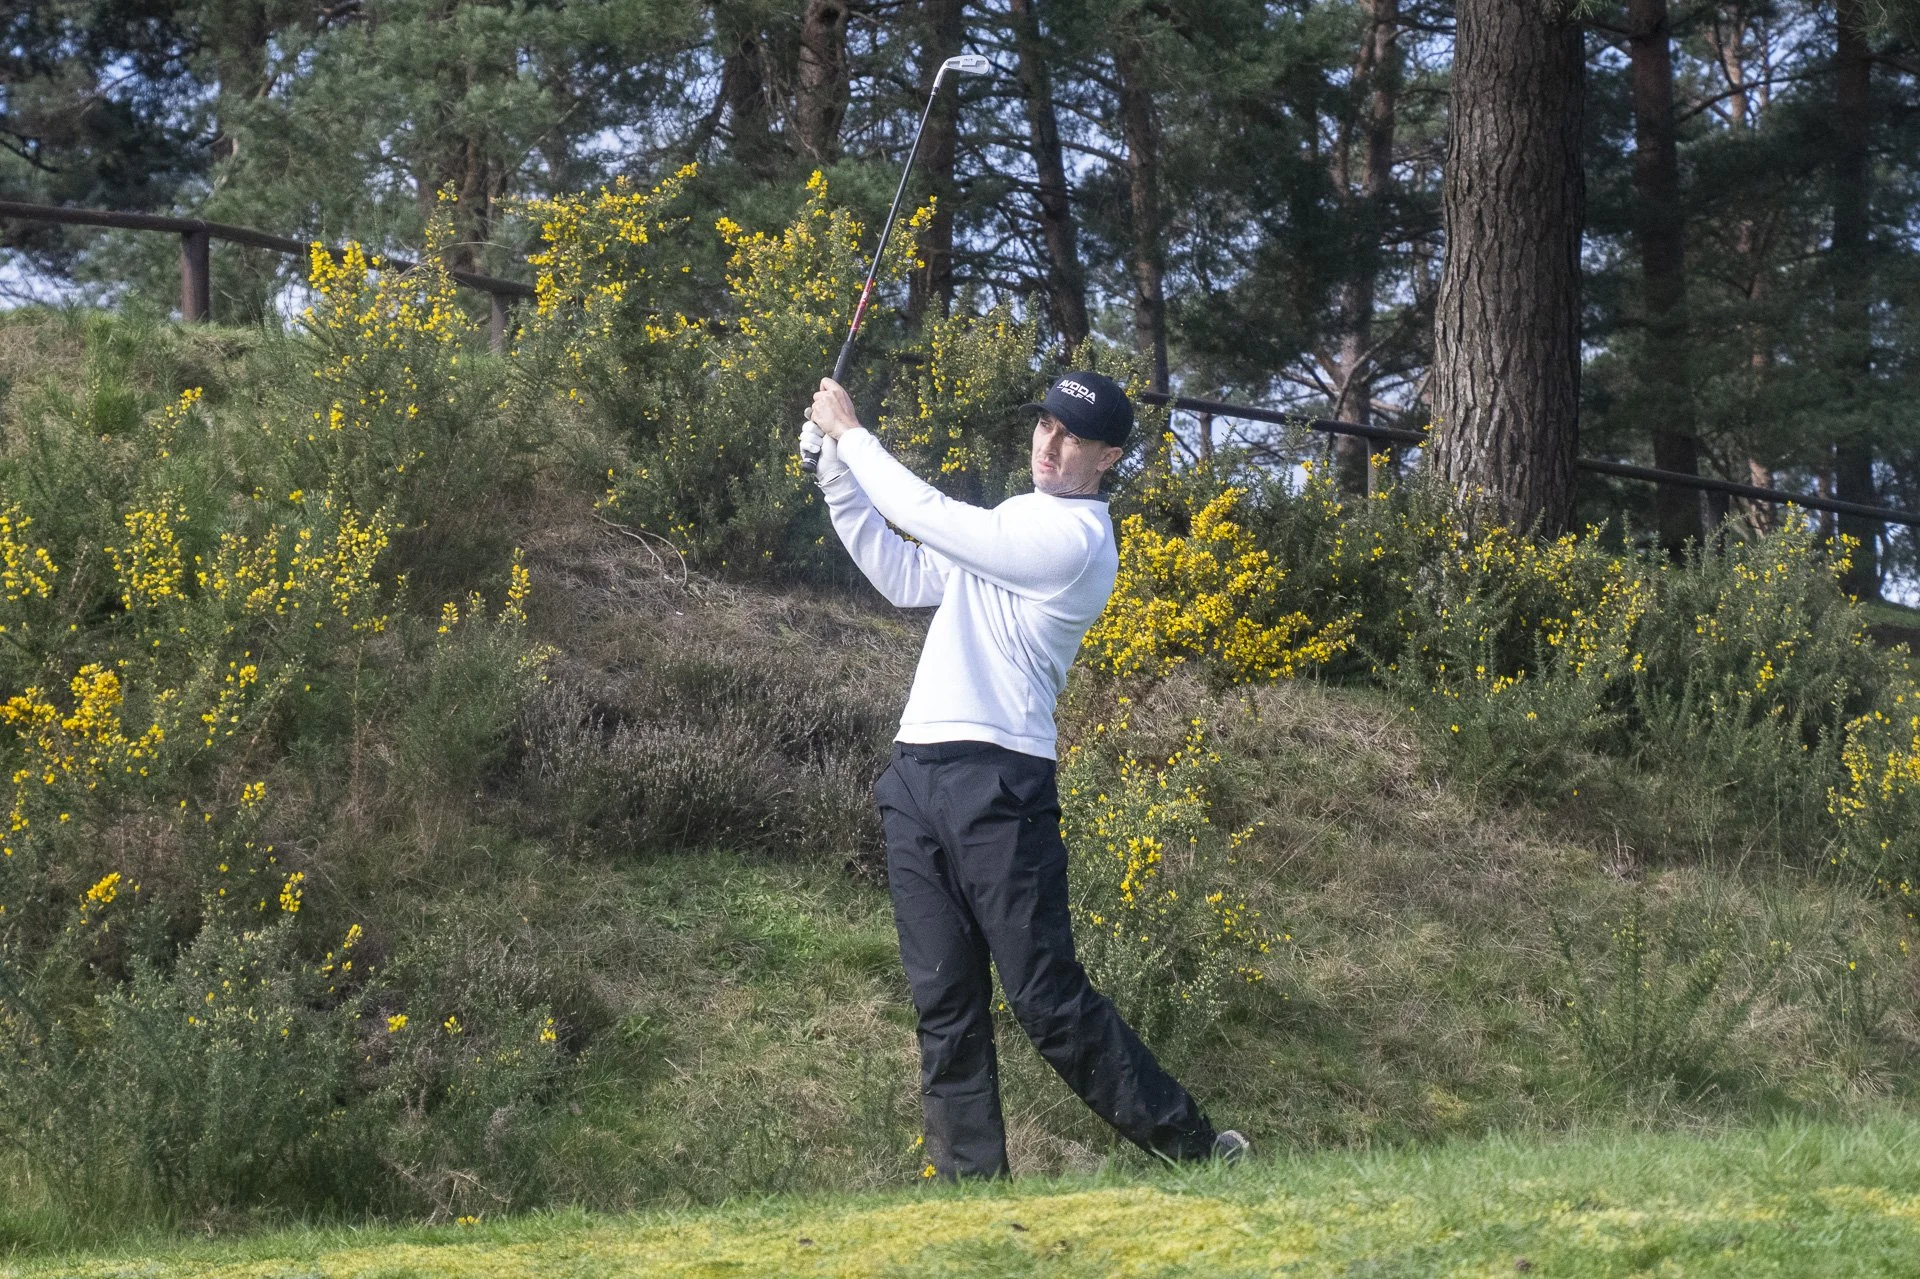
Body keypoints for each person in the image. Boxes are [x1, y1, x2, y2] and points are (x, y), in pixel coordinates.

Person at [800, 370, 1248, 1180]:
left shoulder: (1074, 542)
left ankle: (1195, 1146)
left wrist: (851, 435)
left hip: (1000, 782)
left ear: (1106, 456)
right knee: (944, 1000)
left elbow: (924, 514)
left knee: (1044, 995)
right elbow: (907, 576)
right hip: (917, 773)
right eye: (1045, 423)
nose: (1049, 442)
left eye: (1071, 435)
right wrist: (837, 476)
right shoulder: (1014, 519)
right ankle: (975, 1192)